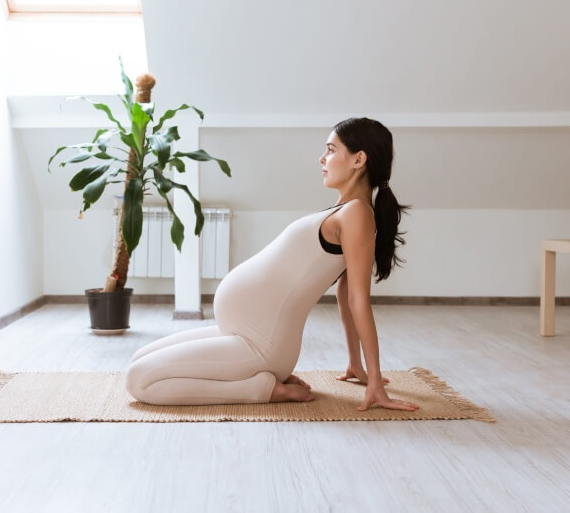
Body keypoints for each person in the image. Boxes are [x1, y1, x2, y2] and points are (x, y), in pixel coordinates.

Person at [126, 117, 418, 412]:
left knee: (139, 382)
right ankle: (260, 375)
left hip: (259, 344)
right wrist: (355, 364)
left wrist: (375, 383)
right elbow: (343, 293)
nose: (322, 158)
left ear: (358, 159)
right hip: (241, 332)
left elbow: (358, 300)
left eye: (331, 150)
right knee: (140, 359)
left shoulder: (357, 214)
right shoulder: (344, 211)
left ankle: (260, 387)